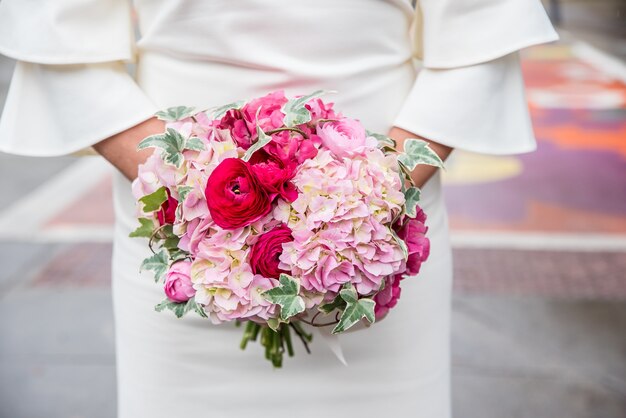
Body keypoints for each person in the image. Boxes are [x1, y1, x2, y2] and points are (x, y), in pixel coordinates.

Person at [0, 0, 558, 416]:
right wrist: (193, 193)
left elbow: (481, 35)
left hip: (377, 240)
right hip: (187, 242)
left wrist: (363, 205)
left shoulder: (376, 211)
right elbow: (59, 43)